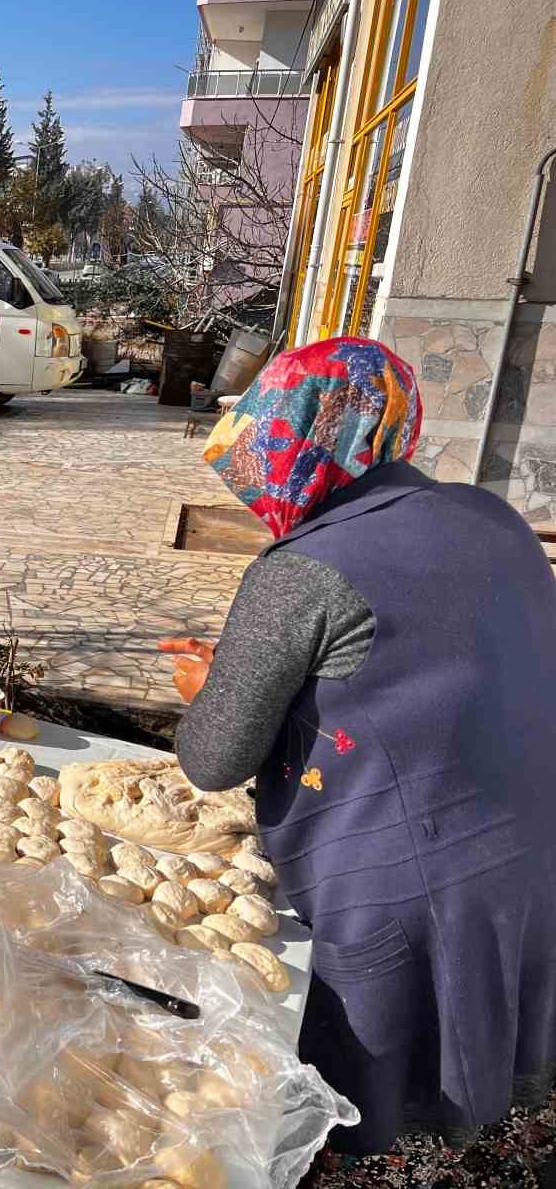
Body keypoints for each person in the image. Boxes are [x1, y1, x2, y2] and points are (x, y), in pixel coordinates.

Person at [163, 337, 556, 1158]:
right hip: (524, 855)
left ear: (303, 440)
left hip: (391, 887)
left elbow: (214, 759)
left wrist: (208, 692)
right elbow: (421, 673)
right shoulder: (493, 517)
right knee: (459, 1067)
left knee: (344, 1116)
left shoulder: (306, 569)